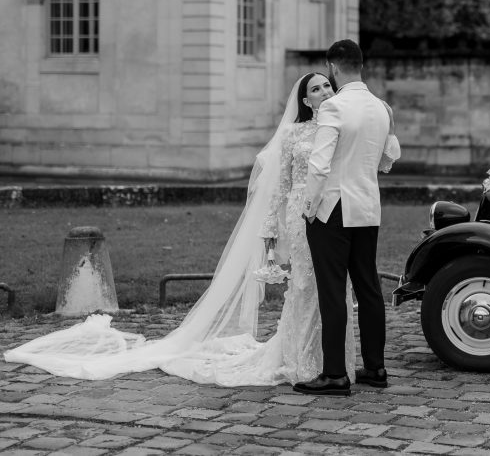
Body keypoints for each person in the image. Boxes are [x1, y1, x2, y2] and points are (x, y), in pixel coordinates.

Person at [2, 73, 354, 386]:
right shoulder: (294, 133)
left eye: (327, 85)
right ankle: (301, 359)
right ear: (305, 100)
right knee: (305, 287)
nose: (324, 90)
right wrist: (268, 228)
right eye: (316, 88)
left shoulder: (340, 126)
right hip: (300, 216)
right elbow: (280, 186)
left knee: (325, 288)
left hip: (333, 215)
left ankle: (328, 359)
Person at [293, 39, 393, 396]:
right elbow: (388, 157)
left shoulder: (333, 107)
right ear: (360, 65)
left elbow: (319, 165)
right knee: (368, 287)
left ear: (334, 68)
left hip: (333, 207)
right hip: (367, 204)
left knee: (332, 289)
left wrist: (308, 208)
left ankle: (335, 374)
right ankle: (376, 367)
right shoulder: (382, 107)